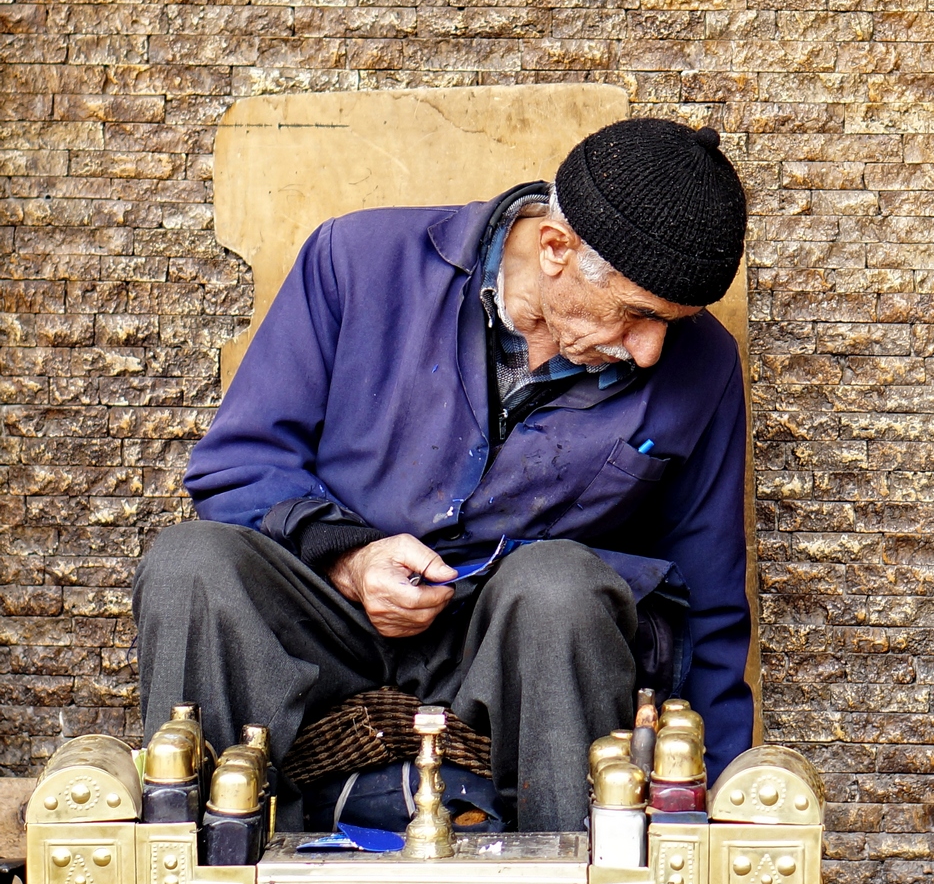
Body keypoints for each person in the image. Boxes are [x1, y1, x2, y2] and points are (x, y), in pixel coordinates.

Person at [134, 117, 753, 833]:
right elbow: (236, 465)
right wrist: (349, 560)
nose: (650, 352)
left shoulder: (701, 367)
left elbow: (709, 602)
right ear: (556, 248)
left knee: (560, 589)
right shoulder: (358, 261)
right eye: (639, 315)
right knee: (189, 563)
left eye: (671, 325)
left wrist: (727, 820)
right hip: (327, 618)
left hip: (514, 644)